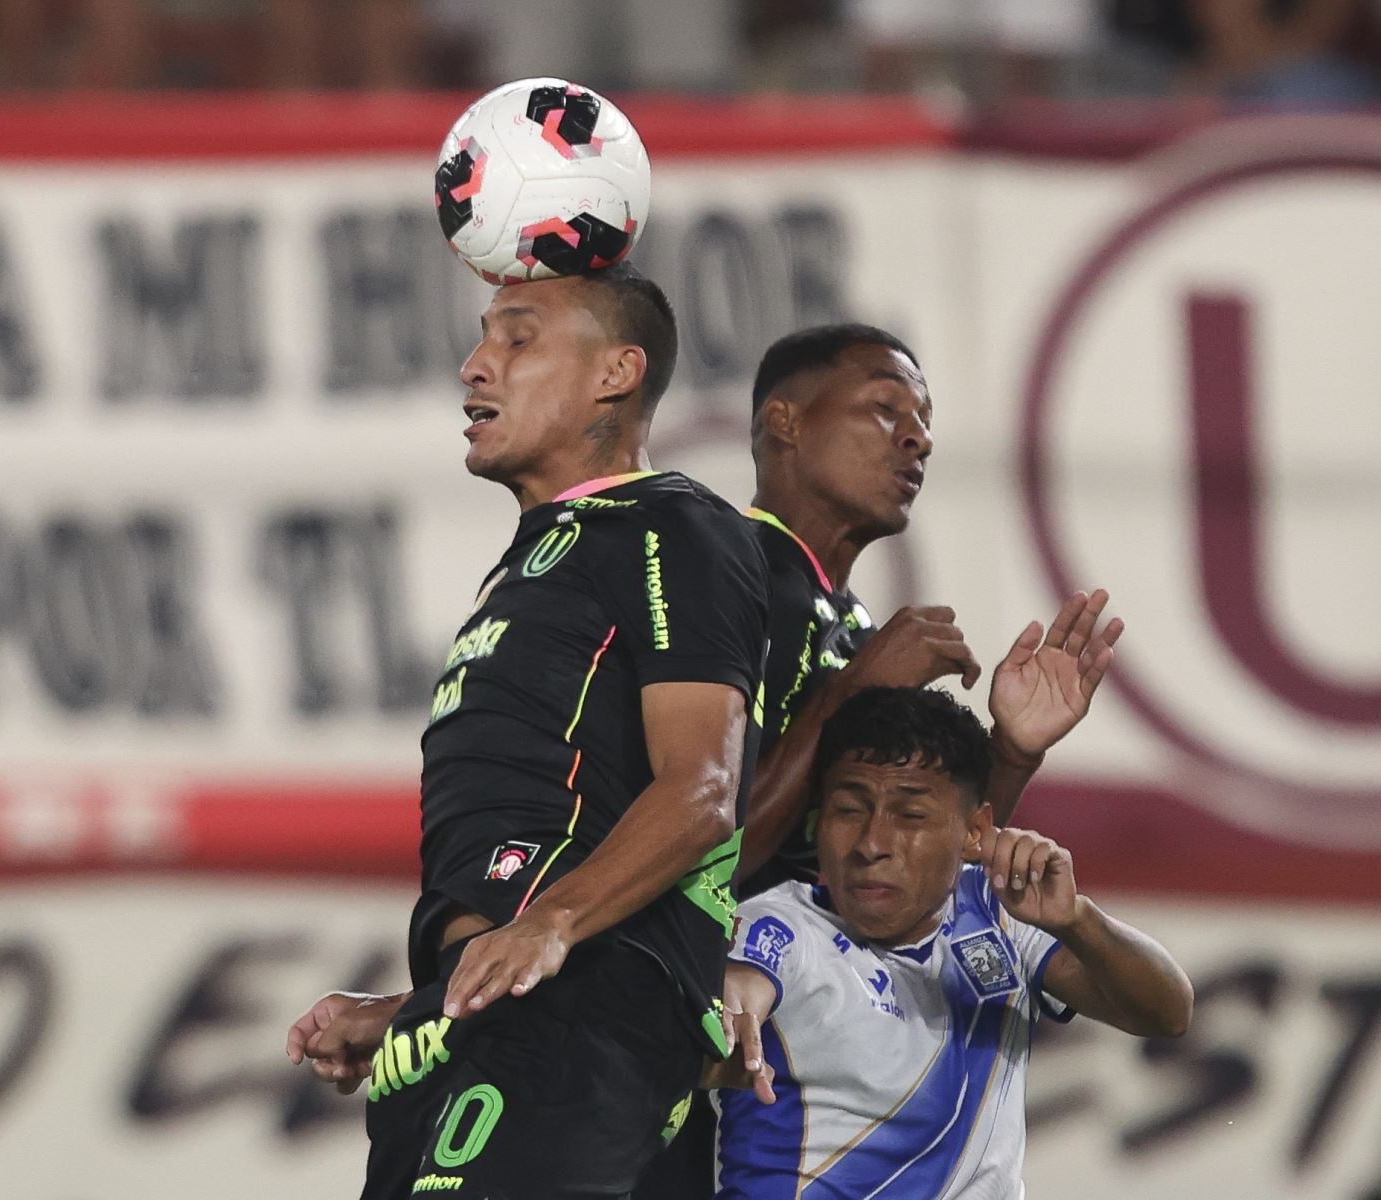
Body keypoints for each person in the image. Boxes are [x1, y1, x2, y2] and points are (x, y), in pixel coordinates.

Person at [284, 264, 770, 1199]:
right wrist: (415, 1007)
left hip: (573, 1026)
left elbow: (702, 788)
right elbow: (555, 836)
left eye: (516, 339)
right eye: (482, 338)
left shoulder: (670, 526)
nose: (475, 366)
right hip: (494, 1020)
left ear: (616, 373)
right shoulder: (532, 564)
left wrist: (551, 925)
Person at [635, 324, 1124, 1195]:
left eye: (925, 421)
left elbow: (921, 850)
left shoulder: (851, 621)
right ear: (784, 421)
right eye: (884, 409)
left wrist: (1010, 753)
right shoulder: (726, 570)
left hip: (816, 1041)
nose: (917, 439)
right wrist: (855, 688)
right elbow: (697, 846)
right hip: (700, 1029)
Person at [710, 685, 1193, 1195]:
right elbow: (739, 993)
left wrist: (1076, 919)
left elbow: (1168, 1013)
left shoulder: (998, 913)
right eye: (849, 810)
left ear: (974, 830)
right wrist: (721, 1023)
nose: (872, 844)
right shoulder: (779, 926)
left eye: (910, 816)